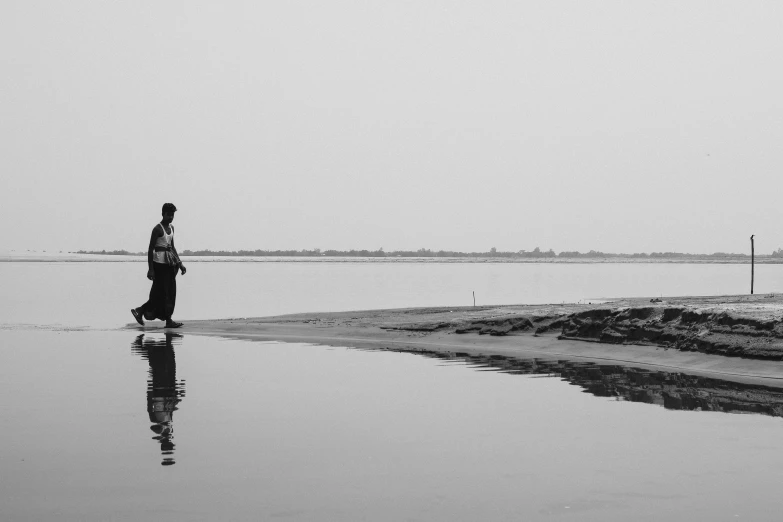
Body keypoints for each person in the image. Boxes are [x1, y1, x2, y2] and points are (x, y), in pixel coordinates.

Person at [131, 203, 187, 328]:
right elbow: (150, 249)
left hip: (170, 264)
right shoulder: (157, 229)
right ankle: (140, 311)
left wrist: (180, 264)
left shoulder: (172, 228)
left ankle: (168, 320)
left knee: (170, 292)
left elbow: (172, 247)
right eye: (168, 215)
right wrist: (150, 269)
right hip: (159, 265)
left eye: (172, 215)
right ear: (163, 214)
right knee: (159, 293)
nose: (171, 217)